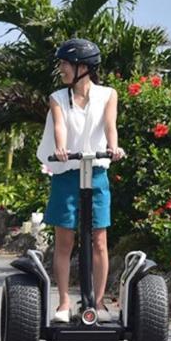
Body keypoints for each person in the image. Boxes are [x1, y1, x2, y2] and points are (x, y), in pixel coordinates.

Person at [36, 39, 125, 323]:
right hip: (67, 174)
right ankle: (63, 303)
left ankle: (98, 303)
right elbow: (60, 126)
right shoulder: (58, 98)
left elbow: (110, 126)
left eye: (65, 64)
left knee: (99, 240)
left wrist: (115, 147)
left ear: (83, 68)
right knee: (64, 241)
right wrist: (60, 149)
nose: (61, 69)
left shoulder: (108, 94)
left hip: (96, 172)